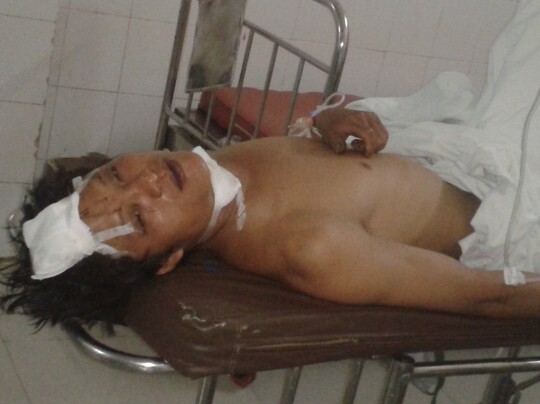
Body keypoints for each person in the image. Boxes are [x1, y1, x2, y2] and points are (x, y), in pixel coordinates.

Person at [2, 106, 540, 333]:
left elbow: (313, 166)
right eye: (140, 218)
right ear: (168, 261)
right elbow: (486, 297)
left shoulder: (213, 177)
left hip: (471, 150)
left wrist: (326, 122)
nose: (149, 180)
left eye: (117, 173)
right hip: (518, 208)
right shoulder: (308, 246)